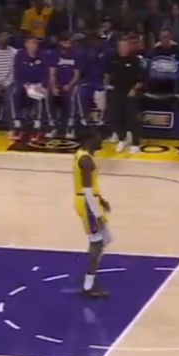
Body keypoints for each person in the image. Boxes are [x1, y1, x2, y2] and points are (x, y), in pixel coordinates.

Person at [73, 127, 111, 298]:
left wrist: (100, 198)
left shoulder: (82, 154)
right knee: (97, 242)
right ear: (89, 139)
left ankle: (90, 270)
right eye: (98, 137)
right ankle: (88, 286)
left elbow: (89, 187)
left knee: (105, 239)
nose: (100, 140)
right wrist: (97, 216)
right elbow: (87, 190)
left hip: (90, 201)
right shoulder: (86, 160)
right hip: (88, 204)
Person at [105, 37, 145, 154]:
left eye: (124, 46)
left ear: (128, 47)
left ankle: (136, 143)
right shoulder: (114, 59)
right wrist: (107, 86)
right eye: (120, 47)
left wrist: (134, 89)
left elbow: (141, 80)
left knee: (132, 118)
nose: (121, 49)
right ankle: (122, 139)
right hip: (117, 91)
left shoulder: (135, 60)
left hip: (130, 92)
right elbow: (108, 74)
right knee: (116, 117)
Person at [9, 36, 49, 142]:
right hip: (24, 84)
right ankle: (17, 123)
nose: (33, 45)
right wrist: (24, 84)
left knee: (38, 95)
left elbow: (47, 74)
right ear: (26, 44)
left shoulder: (43, 56)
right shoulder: (20, 55)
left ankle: (37, 125)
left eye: (35, 43)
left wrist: (41, 84)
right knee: (14, 93)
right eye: (31, 43)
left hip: (38, 84)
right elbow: (17, 73)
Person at [48, 32, 82, 139]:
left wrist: (70, 85)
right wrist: (54, 86)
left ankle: (70, 128)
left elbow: (77, 74)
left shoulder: (76, 54)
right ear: (60, 43)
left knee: (72, 96)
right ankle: (52, 126)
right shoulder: (54, 54)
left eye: (68, 42)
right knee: (48, 95)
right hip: (58, 84)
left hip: (71, 84)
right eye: (64, 42)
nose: (67, 44)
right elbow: (52, 73)